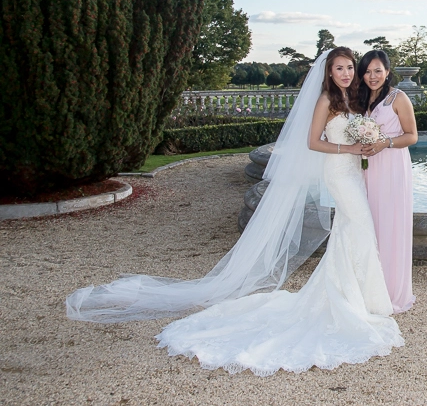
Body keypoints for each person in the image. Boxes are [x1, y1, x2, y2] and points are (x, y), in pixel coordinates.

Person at [65, 48, 403, 376]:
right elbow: (312, 142)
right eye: (339, 68)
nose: (345, 73)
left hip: (352, 174)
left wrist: (368, 143)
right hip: (339, 174)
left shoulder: (352, 100)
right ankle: (354, 301)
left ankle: (358, 296)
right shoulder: (326, 101)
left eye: (348, 68)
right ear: (329, 72)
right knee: (358, 226)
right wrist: (349, 147)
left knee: (351, 229)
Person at [357, 50, 418, 313]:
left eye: (378, 70)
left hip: (392, 165)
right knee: (369, 223)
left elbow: (412, 136)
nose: (373, 76)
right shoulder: (359, 98)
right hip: (367, 168)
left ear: (387, 71)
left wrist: (385, 143)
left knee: (391, 225)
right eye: (368, 71)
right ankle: (368, 288)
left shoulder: (398, 98)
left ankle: (392, 291)